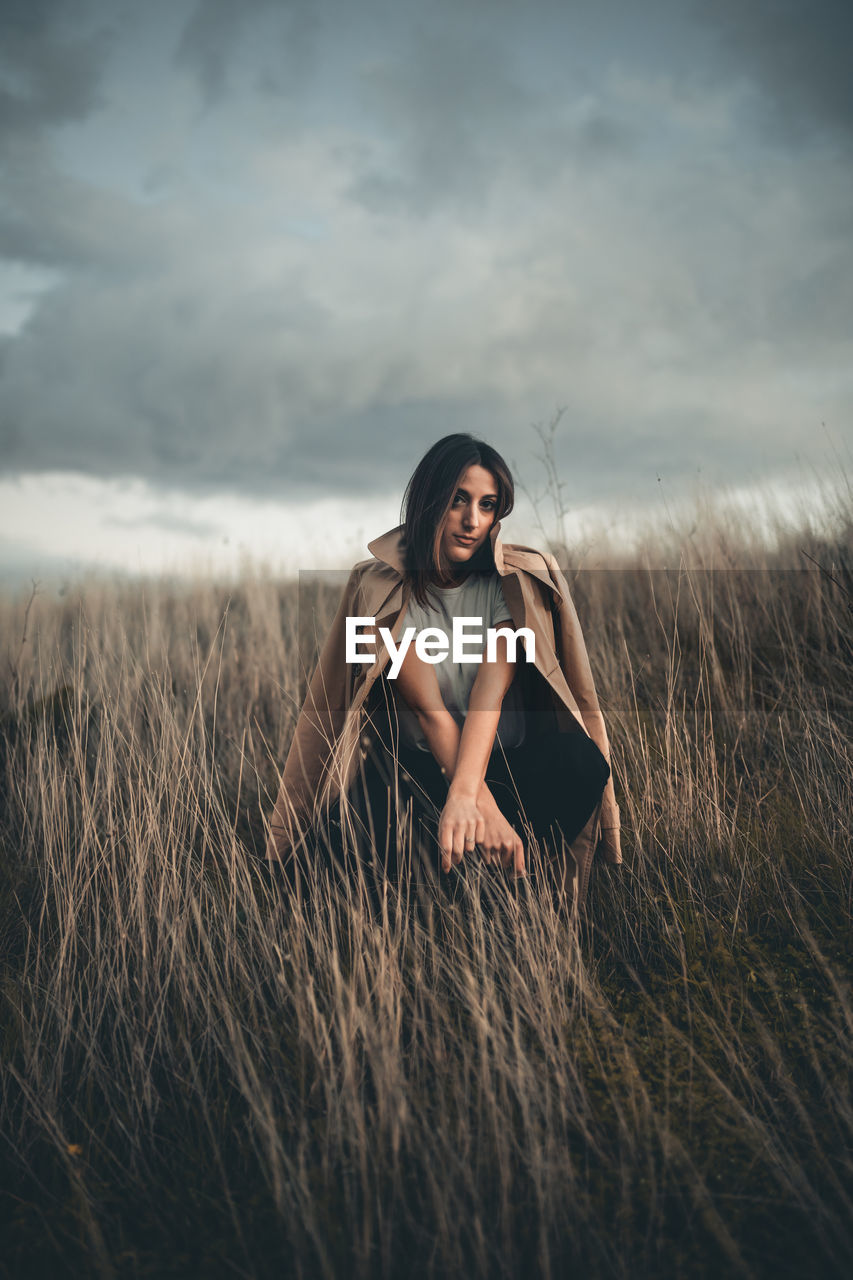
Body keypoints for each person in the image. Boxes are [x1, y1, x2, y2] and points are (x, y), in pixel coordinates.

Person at [265, 434, 622, 911]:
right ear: (431, 499)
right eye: (458, 500)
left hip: (507, 771)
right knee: (306, 877)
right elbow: (430, 711)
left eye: (487, 505)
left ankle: (508, 887)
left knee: (581, 761)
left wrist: (476, 798)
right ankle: (447, 883)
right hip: (419, 776)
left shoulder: (507, 585)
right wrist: (475, 809)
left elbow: (488, 696)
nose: (472, 520)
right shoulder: (387, 592)